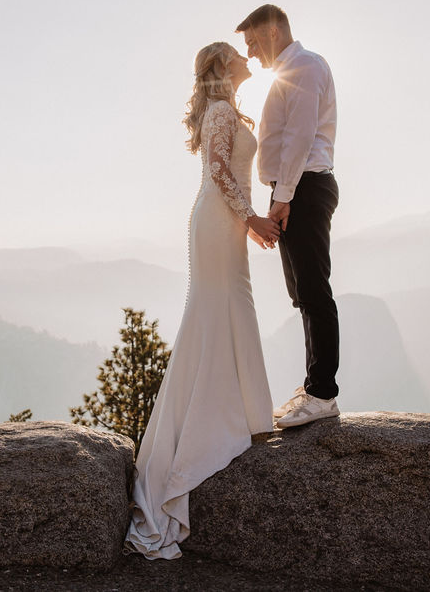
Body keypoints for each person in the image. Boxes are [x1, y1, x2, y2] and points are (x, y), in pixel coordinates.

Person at [124, 42, 279, 560]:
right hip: (216, 219)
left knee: (232, 305)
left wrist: (251, 220)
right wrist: (250, 218)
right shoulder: (218, 112)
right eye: (236, 54)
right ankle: (214, 427)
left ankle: (241, 412)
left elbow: (229, 174)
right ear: (220, 65)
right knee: (221, 306)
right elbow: (217, 172)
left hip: (227, 220)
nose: (245, 58)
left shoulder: (228, 110)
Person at [236, 4, 341, 429]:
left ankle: (322, 393)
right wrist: (281, 195)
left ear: (274, 30)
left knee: (314, 290)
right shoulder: (292, 69)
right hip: (294, 189)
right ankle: (313, 385)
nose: (252, 52)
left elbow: (299, 137)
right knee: (301, 293)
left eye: (254, 41)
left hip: (305, 188)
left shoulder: (305, 66)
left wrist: (283, 197)